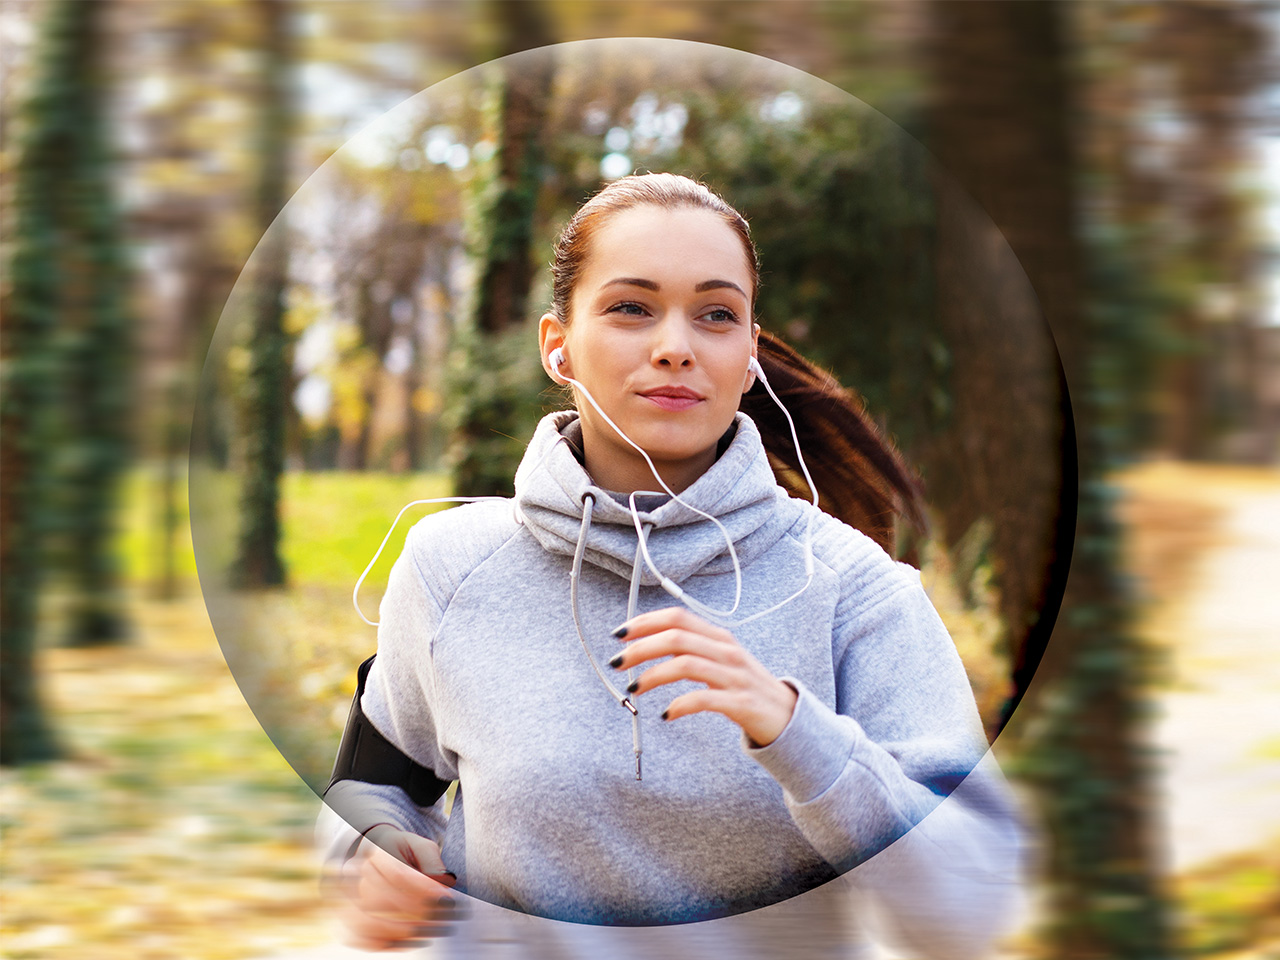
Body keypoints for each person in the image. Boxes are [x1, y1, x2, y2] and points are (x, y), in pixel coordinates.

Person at [318, 173, 1024, 958]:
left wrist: (797, 734)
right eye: (631, 308)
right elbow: (375, 788)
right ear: (558, 347)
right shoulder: (451, 567)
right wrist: (369, 853)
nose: (676, 347)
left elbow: (971, 913)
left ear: (750, 355)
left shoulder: (855, 590)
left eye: (716, 315)